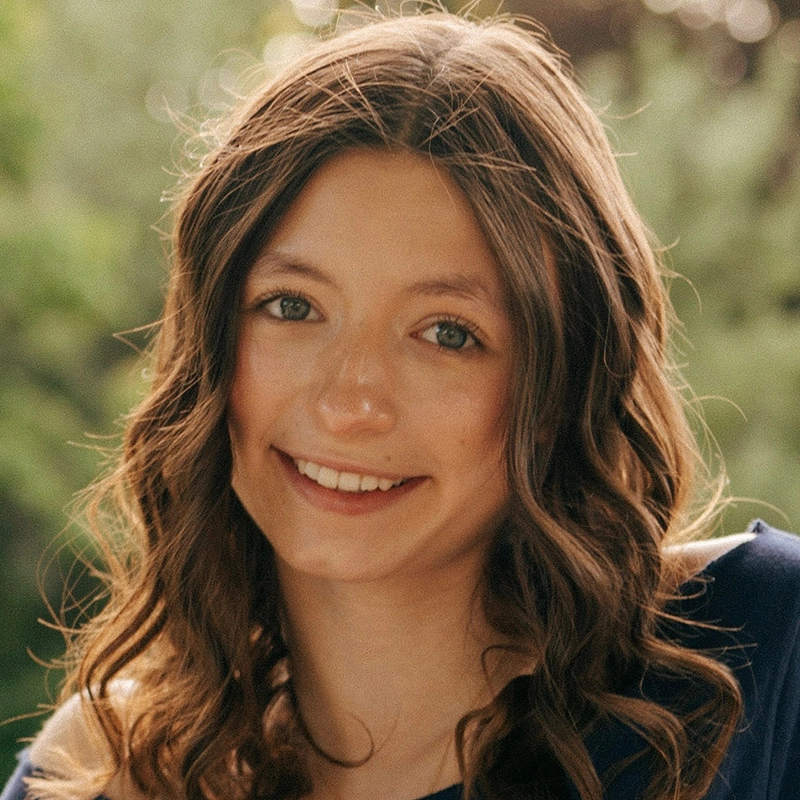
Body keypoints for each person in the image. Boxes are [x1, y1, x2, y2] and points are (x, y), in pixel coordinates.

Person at [3, 10, 799, 800]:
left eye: (447, 333)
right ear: (208, 340)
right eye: (290, 306)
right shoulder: (103, 772)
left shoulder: (767, 660)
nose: (349, 403)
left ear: (561, 385)